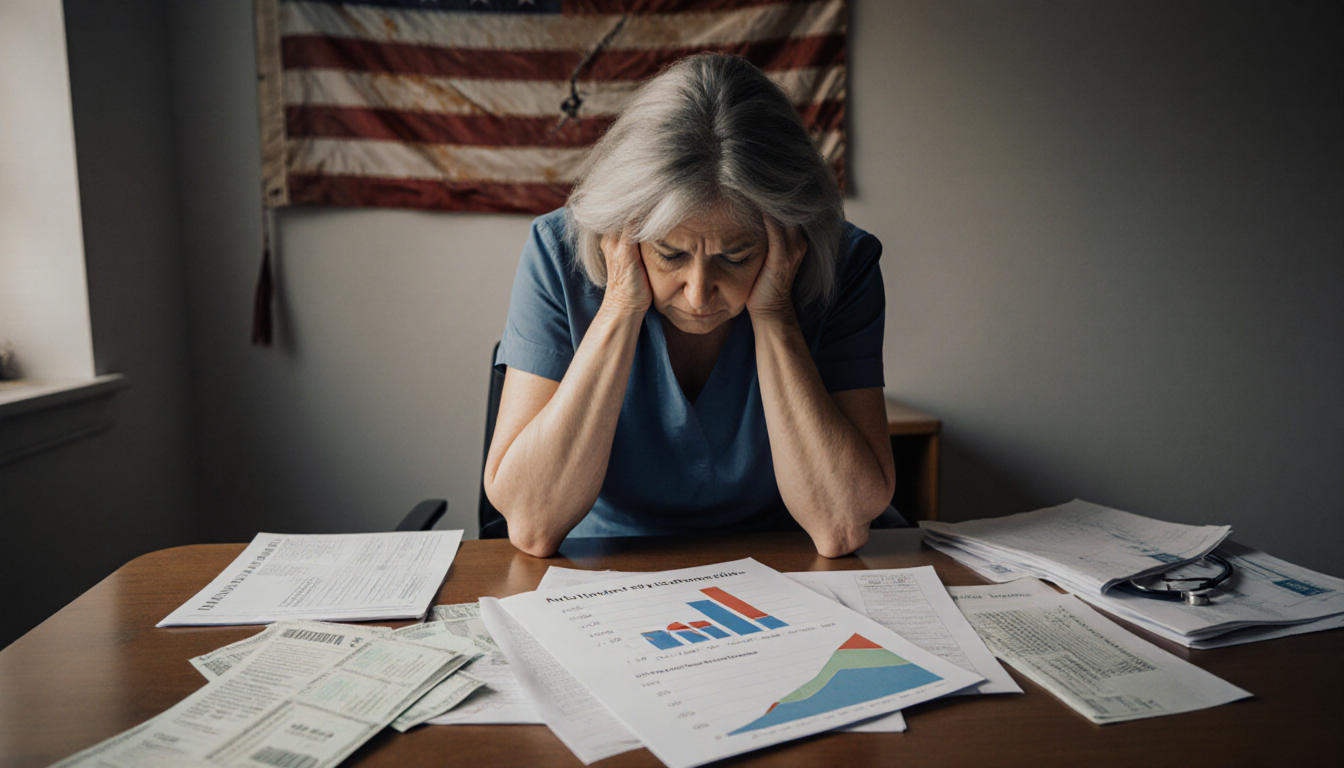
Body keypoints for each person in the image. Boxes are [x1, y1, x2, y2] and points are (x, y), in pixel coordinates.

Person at [483, 54, 898, 558]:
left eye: (737, 256)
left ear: (790, 237)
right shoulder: (559, 254)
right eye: (670, 254)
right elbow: (532, 523)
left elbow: (841, 526)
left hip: (783, 558)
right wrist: (619, 304)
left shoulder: (844, 263)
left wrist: (775, 315)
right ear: (626, 234)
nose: (699, 294)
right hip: (605, 562)